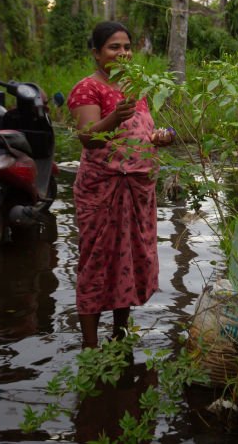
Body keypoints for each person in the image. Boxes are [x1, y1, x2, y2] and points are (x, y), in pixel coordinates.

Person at [67, 22, 174, 348]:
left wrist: (160, 138)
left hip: (138, 191)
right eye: (114, 47)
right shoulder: (88, 88)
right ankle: (90, 346)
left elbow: (140, 134)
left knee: (126, 262)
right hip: (104, 191)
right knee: (97, 263)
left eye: (127, 46)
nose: (123, 53)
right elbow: (89, 138)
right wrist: (115, 117)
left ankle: (120, 335)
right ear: (97, 53)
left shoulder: (135, 88)